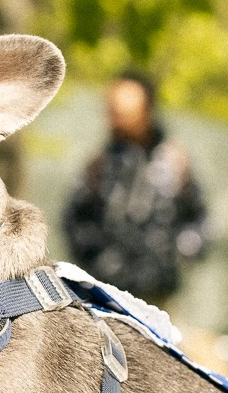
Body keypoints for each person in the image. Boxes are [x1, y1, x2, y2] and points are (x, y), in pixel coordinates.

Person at [63, 72, 208, 301]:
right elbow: (75, 220)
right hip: (103, 292)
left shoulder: (175, 161)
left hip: (158, 294)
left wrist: (179, 253)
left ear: (146, 111)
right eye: (112, 111)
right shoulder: (98, 164)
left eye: (124, 112)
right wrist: (99, 259)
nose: (116, 119)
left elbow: (200, 220)